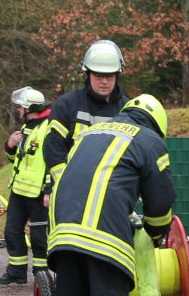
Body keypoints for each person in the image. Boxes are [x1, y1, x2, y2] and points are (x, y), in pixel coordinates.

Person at [49, 94, 176, 296]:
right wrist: (155, 233)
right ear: (157, 124)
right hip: (104, 239)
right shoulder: (149, 140)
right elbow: (160, 201)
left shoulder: (89, 134)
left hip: (63, 235)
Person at [42, 39, 129, 200]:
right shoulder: (66, 105)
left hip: (113, 195)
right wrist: (67, 183)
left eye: (109, 76)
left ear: (117, 75)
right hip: (71, 196)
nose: (104, 81)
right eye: (98, 75)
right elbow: (53, 150)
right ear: (88, 74)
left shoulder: (128, 110)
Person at [0, 87, 53, 286]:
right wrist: (10, 145)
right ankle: (16, 272)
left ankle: (41, 275)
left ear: (30, 108)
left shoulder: (49, 128)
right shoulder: (27, 127)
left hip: (39, 194)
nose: (18, 110)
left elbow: (54, 162)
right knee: (11, 231)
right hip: (19, 191)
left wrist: (49, 190)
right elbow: (17, 160)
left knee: (39, 237)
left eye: (20, 107)